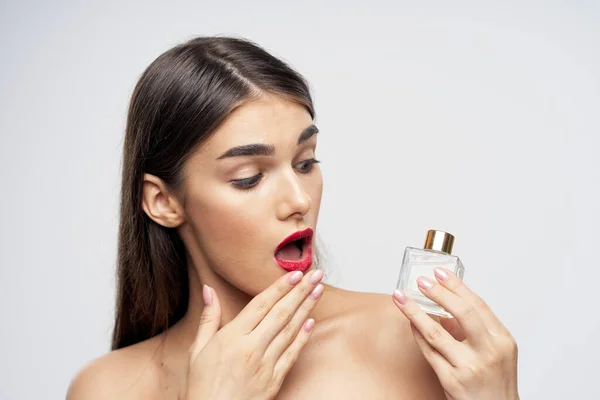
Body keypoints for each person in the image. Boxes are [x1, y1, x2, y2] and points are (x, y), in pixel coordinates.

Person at [67, 36, 519, 399]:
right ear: (163, 202)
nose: (298, 199)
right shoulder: (106, 388)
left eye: (306, 163)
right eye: (248, 177)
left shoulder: (408, 342)